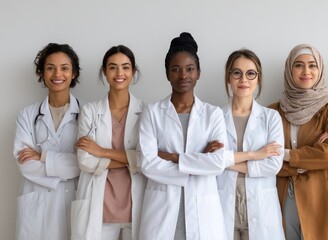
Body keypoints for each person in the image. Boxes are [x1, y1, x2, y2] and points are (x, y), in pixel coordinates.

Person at [137, 32, 233, 240]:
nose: (183, 75)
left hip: (203, 216)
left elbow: (217, 164)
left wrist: (173, 157)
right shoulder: (152, 112)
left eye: (190, 69)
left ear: (198, 73)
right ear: (167, 74)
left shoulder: (212, 114)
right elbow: (147, 164)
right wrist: (199, 162)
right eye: (176, 69)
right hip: (161, 215)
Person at [268, 44, 328, 240]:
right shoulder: (273, 111)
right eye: (299, 65)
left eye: (312, 65)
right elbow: (266, 161)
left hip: (321, 196)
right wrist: (311, 157)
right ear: (289, 70)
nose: (306, 72)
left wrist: (286, 155)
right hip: (281, 196)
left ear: (320, 70)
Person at [72, 45, 145, 240]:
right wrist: (131, 160)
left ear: (133, 71)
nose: (119, 73)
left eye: (126, 67)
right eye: (112, 67)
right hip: (99, 205)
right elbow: (85, 160)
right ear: (104, 72)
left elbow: (146, 159)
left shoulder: (146, 112)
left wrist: (101, 151)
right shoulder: (90, 111)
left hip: (134, 204)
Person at [13, 43, 81, 240]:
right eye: (50, 68)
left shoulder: (88, 114)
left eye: (64, 68)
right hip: (37, 205)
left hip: (72, 201)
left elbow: (84, 164)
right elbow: (25, 165)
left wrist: (43, 156)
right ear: (42, 73)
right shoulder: (27, 115)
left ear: (74, 73)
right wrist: (67, 165)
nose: (57, 74)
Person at [217, 49, 285, 240]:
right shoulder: (214, 117)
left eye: (250, 73)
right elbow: (209, 162)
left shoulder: (271, 117)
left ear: (258, 78)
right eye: (236, 73)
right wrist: (255, 154)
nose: (243, 79)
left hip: (260, 203)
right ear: (228, 77)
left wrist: (225, 162)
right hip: (223, 200)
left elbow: (273, 165)